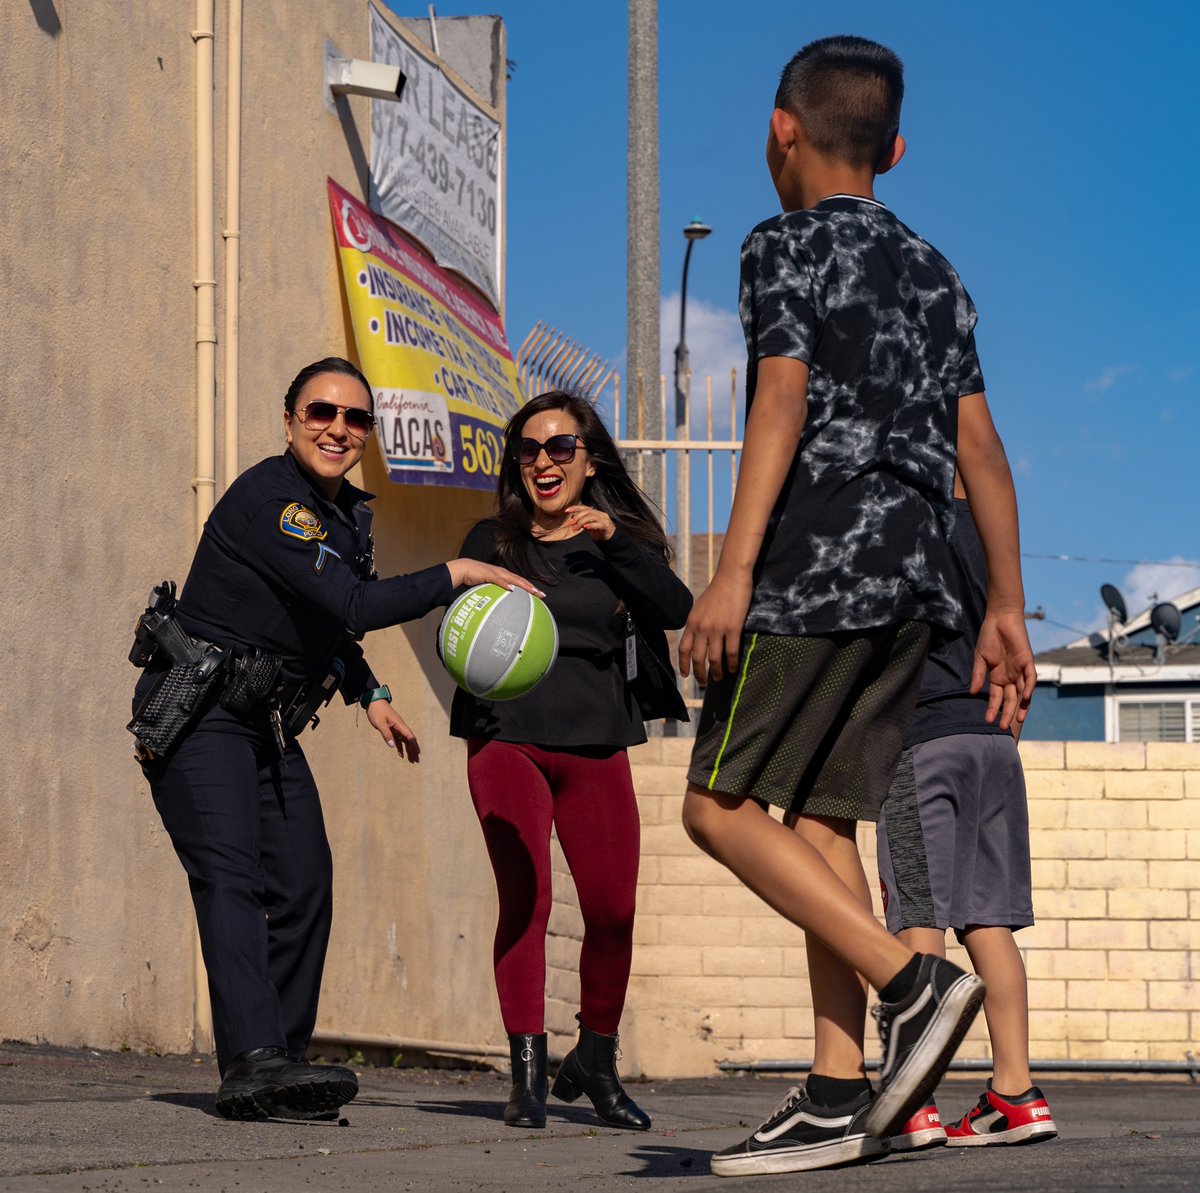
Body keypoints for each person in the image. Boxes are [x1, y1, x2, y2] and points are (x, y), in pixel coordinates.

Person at [676, 36, 1036, 1177]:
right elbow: (982, 449)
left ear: (780, 131)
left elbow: (779, 398)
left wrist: (733, 571)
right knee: (822, 824)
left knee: (715, 807)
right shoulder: (937, 271)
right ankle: (837, 1089)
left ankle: (912, 984)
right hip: (920, 590)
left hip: (815, 574)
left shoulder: (782, 244)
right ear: (895, 149)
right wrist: (1005, 604)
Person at [129, 357, 537, 1122]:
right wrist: (454, 572)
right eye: (321, 411)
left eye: (355, 418)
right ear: (289, 421)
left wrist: (370, 693)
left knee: (305, 880)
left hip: (263, 721)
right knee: (232, 876)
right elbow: (351, 601)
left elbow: (325, 624)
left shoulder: (342, 514)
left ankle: (281, 1063)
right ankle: (252, 1058)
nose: (338, 429)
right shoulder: (274, 503)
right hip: (200, 714)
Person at [449, 391, 693, 1131]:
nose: (543, 462)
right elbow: (455, 626)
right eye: (529, 449)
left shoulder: (621, 541)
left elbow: (676, 608)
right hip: (505, 738)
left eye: (560, 447)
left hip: (597, 740)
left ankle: (595, 1060)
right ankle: (526, 1074)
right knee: (526, 899)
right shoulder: (490, 539)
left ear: (589, 461)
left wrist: (614, 539)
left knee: (613, 910)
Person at [879, 481, 1057, 1151]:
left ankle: (913, 1102)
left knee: (918, 922)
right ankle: (1016, 1093)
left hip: (924, 739)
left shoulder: (890, 515)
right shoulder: (988, 527)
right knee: (989, 923)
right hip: (994, 740)